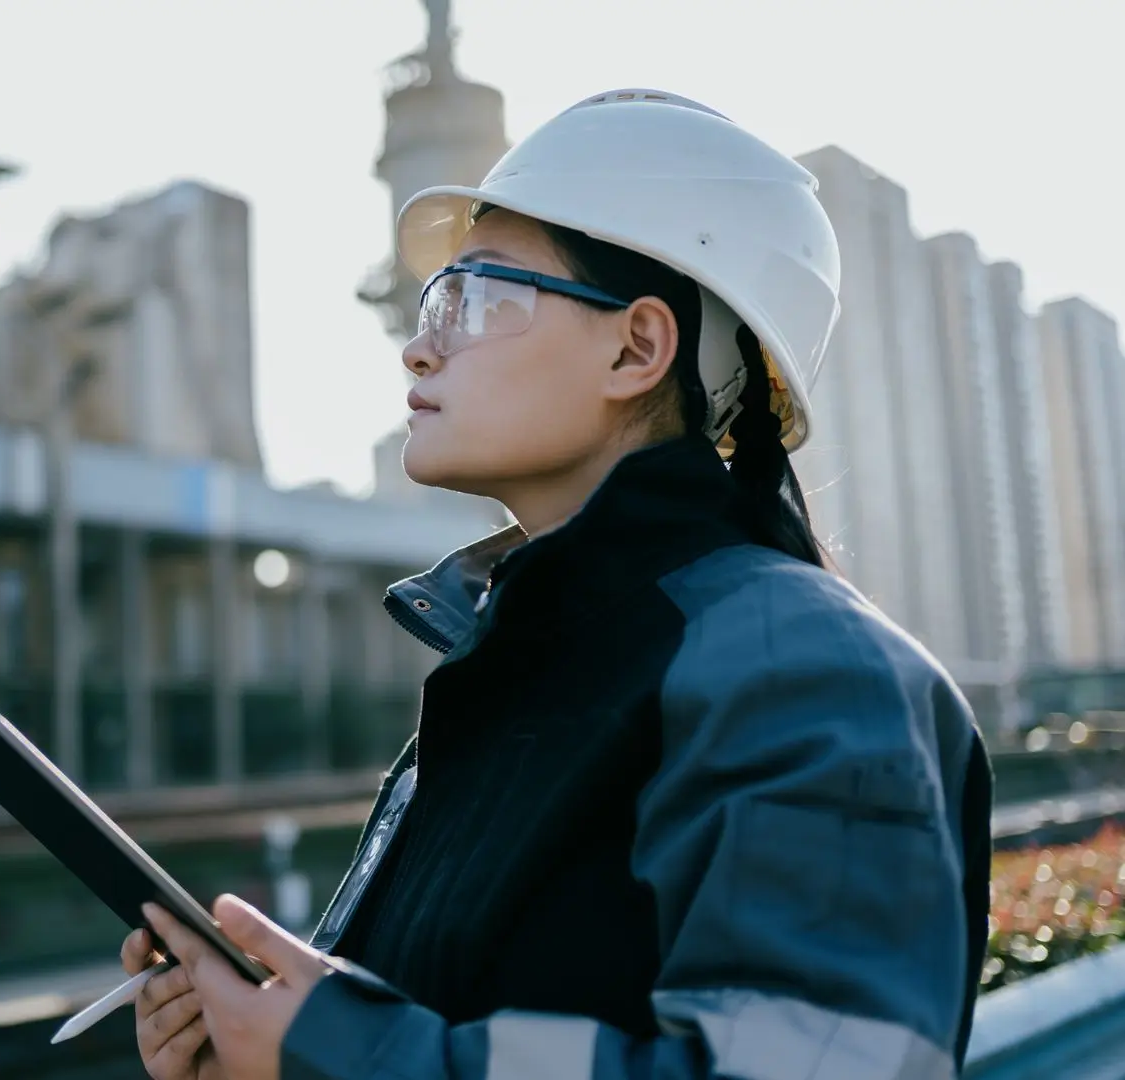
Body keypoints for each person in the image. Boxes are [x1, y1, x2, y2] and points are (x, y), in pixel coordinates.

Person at [120, 88, 993, 1080]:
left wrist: (336, 1048)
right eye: (430, 301)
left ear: (637, 347)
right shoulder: (515, 666)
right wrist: (258, 1054)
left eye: (476, 298)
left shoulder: (803, 668)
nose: (420, 344)